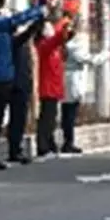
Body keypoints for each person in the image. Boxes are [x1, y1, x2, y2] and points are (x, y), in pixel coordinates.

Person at [0, 0, 45, 170]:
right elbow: (14, 26)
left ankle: (11, 150)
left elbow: (19, 39)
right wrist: (39, 10)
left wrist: (35, 25)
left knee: (10, 117)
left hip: (8, 77)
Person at [61, 20, 110, 153]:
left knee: (67, 112)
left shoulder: (66, 45)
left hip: (68, 80)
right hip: (72, 80)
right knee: (70, 113)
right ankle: (68, 142)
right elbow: (90, 60)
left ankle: (68, 140)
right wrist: (105, 55)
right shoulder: (73, 46)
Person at [7, 19, 42, 164]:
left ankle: (17, 149)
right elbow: (25, 35)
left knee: (20, 119)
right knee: (16, 119)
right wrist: (35, 23)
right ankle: (14, 150)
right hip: (15, 84)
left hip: (22, 83)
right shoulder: (12, 41)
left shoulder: (24, 44)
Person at [34, 17, 69, 157]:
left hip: (54, 86)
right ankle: (43, 146)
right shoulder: (43, 45)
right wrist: (64, 27)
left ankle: (50, 144)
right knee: (46, 118)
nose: (51, 30)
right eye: (48, 28)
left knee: (52, 118)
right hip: (47, 86)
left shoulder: (55, 47)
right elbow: (56, 40)